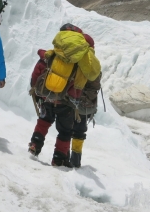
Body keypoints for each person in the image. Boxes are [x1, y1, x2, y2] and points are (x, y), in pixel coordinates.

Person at [28, 24, 100, 167]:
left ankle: (35, 145)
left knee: (43, 121)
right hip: (67, 104)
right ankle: (59, 159)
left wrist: (35, 89)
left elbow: (37, 72)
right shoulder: (83, 63)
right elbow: (91, 84)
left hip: (47, 97)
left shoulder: (53, 54)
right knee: (65, 132)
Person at [71, 34, 102, 168]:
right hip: (86, 104)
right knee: (80, 131)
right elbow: (96, 84)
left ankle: (63, 157)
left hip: (71, 101)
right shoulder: (93, 63)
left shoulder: (74, 59)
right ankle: (76, 160)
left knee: (66, 130)